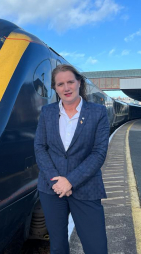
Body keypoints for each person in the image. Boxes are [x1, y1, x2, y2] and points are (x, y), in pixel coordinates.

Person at [34, 64, 110, 254]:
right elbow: (40, 147)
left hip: (86, 188)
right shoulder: (47, 112)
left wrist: (70, 181)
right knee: (58, 246)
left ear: (79, 83)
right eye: (60, 84)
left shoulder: (97, 112)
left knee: (96, 247)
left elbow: (99, 153)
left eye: (70, 82)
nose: (66, 88)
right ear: (55, 88)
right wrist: (55, 181)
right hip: (53, 190)